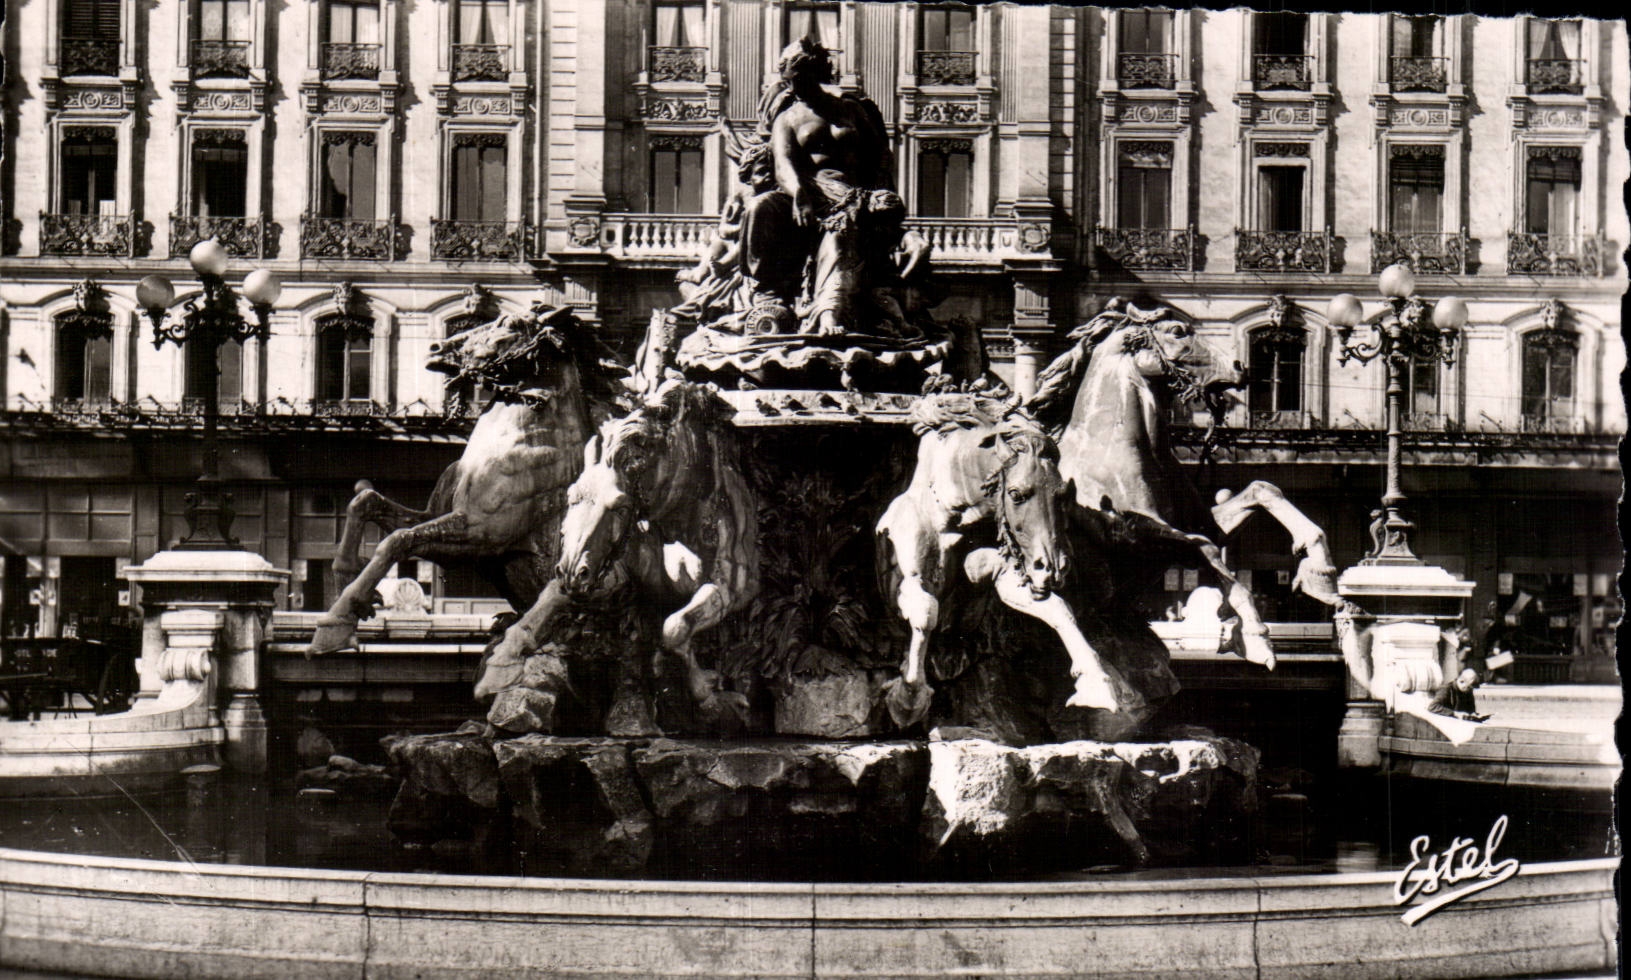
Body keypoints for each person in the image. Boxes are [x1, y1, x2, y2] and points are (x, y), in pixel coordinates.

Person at [741, 38, 897, 336]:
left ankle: (829, 309)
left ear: (818, 74)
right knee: (758, 207)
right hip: (807, 190)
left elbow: (881, 156)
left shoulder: (851, 111)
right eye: (792, 80)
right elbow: (783, 163)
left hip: (851, 193)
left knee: (841, 231)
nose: (796, 86)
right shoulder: (787, 118)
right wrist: (798, 193)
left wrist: (878, 191)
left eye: (803, 78)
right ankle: (767, 291)